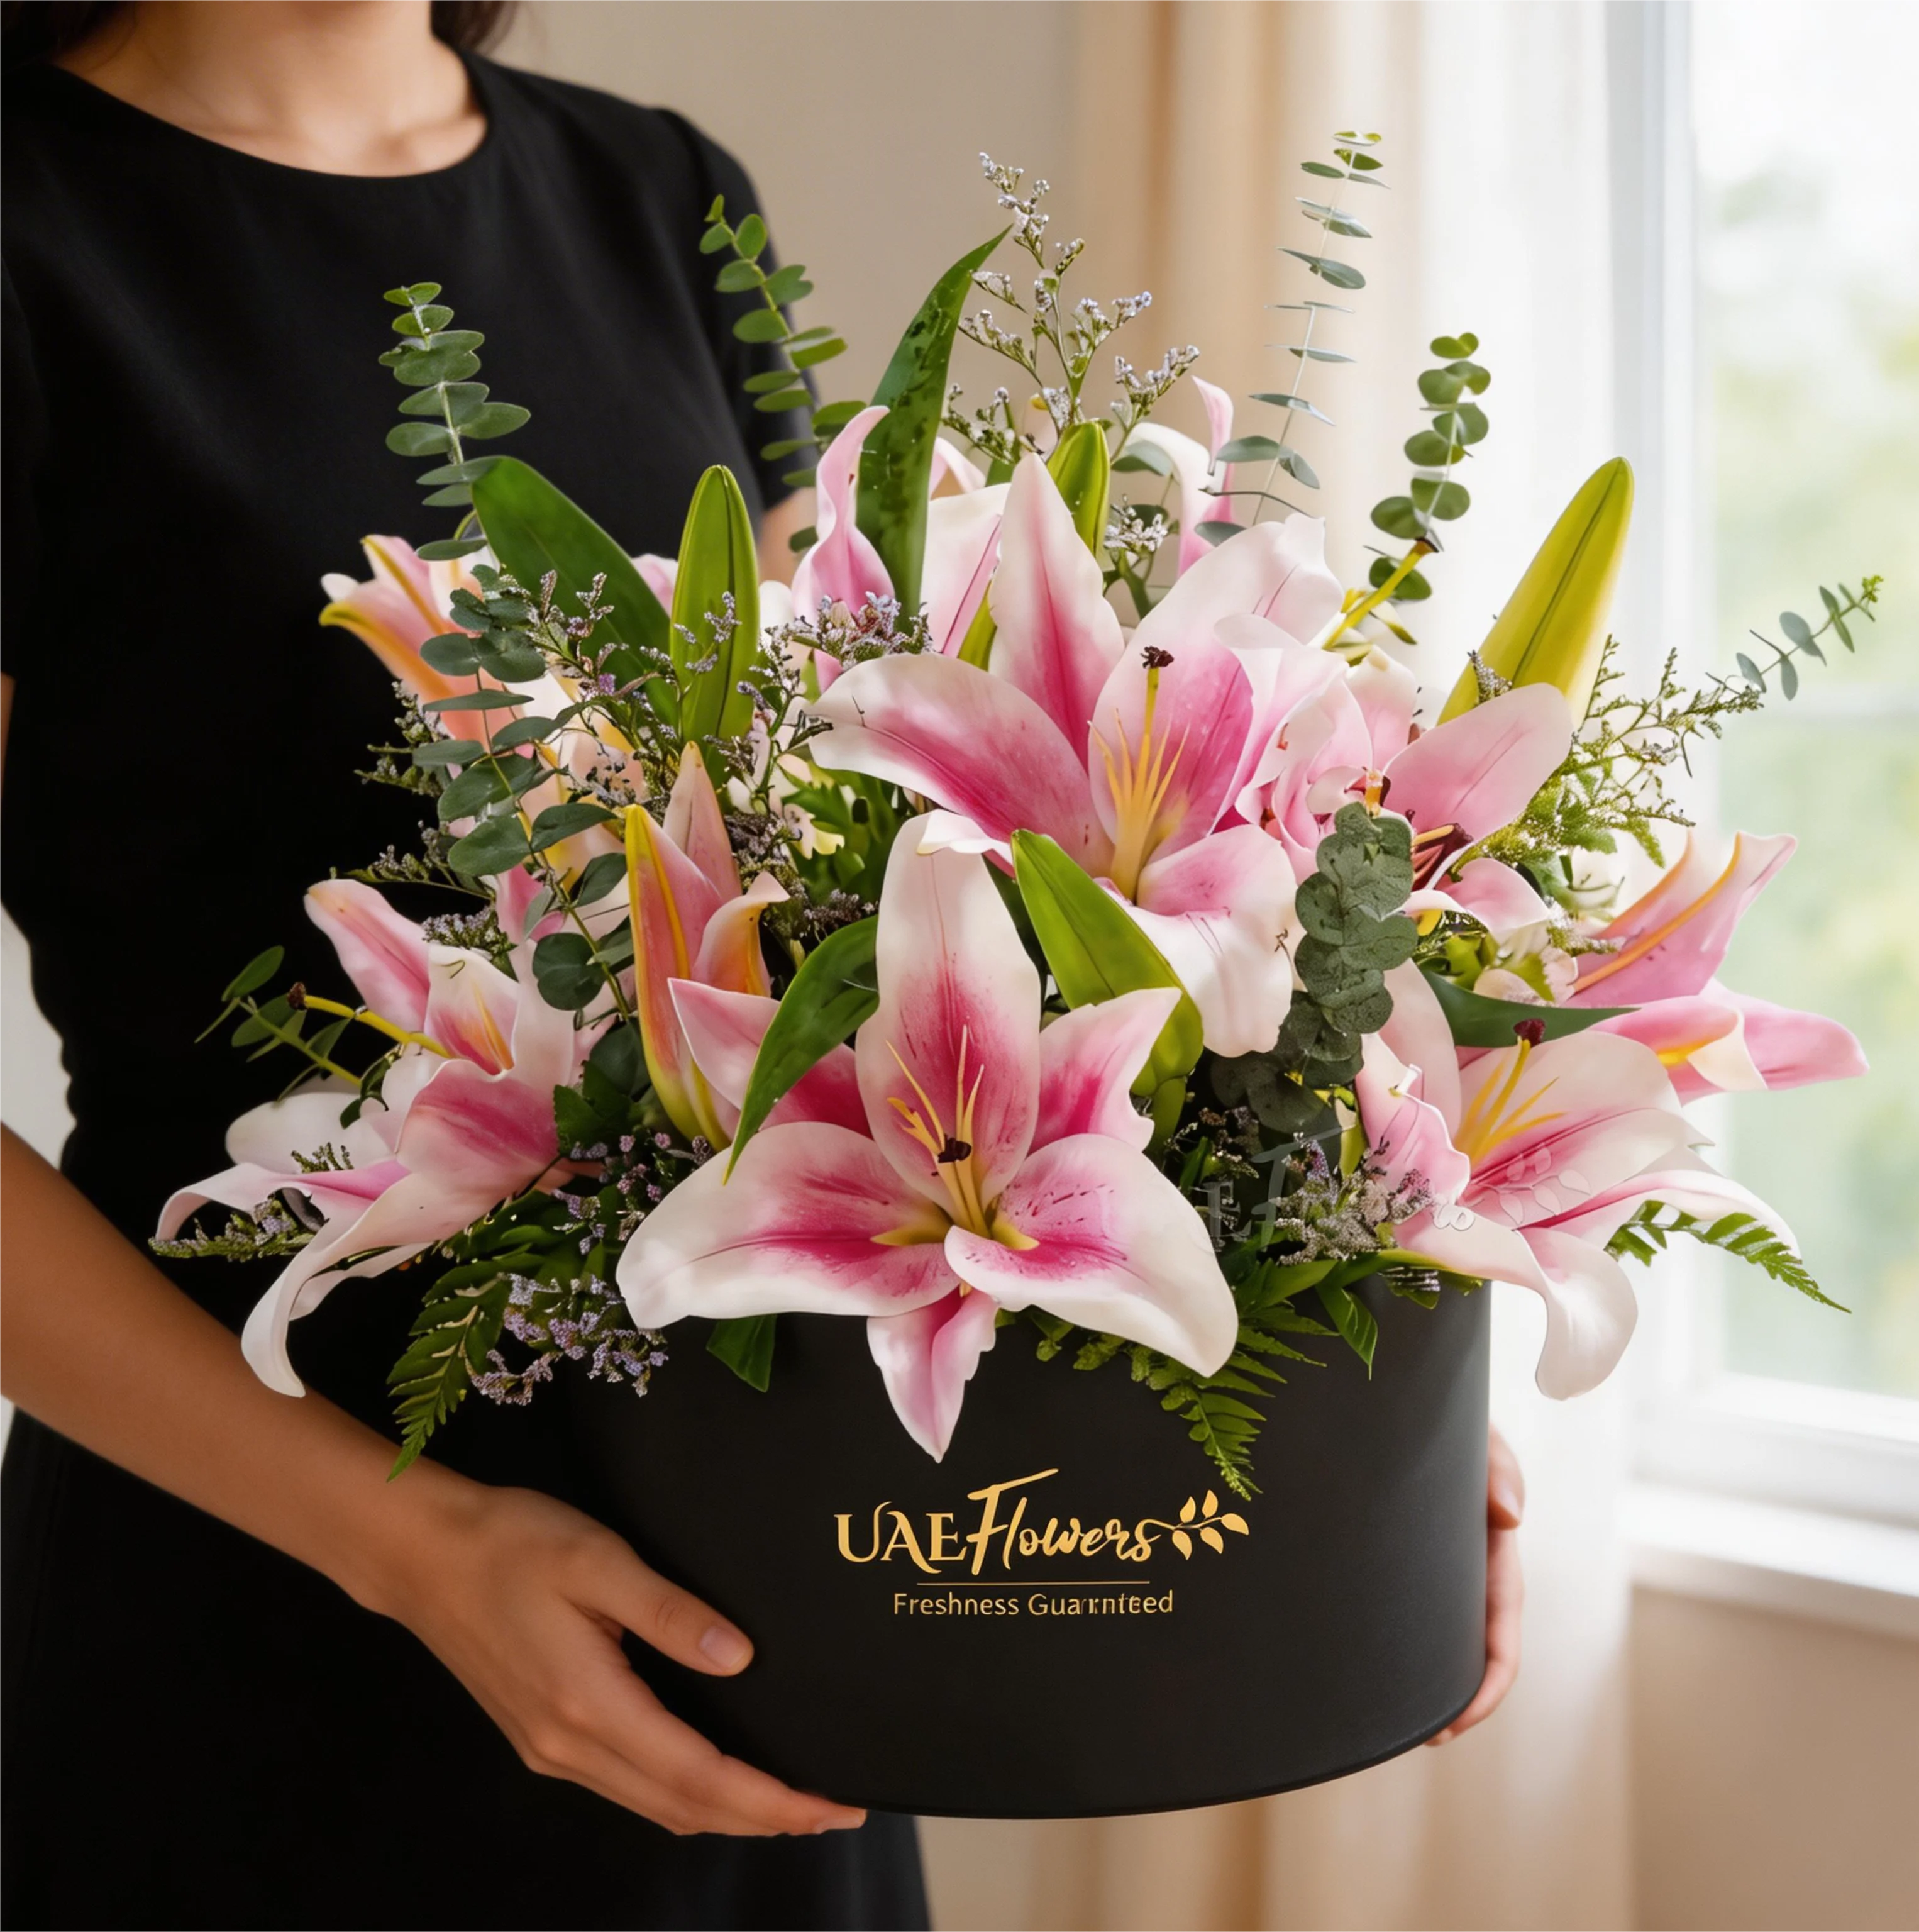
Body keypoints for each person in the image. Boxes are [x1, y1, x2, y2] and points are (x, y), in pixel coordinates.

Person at [0, 1, 1521, 1924]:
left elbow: (866, 878)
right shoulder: (32, 242)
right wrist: (415, 1551)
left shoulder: (651, 193)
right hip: (258, 1613)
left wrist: (1360, 1395)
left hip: (773, 1597)